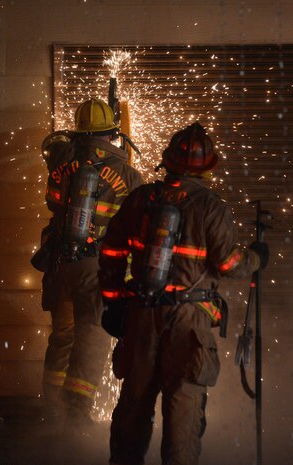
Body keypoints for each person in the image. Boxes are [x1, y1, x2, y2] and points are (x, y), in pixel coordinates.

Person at [99, 122, 269, 465]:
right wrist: (257, 257)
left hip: (141, 316)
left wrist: (115, 301)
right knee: (183, 419)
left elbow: (111, 251)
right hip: (189, 325)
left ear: (168, 161)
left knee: (132, 411)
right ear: (208, 167)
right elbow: (230, 264)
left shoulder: (140, 199)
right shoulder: (212, 207)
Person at [33, 97, 144, 430]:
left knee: (62, 336)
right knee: (92, 335)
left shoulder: (61, 165)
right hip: (94, 269)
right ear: (112, 133)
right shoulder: (127, 173)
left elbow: (54, 204)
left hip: (58, 265)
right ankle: (76, 415)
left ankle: (50, 410)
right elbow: (136, 223)